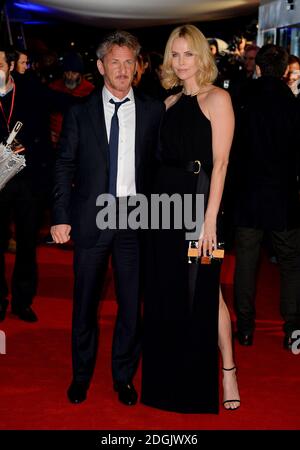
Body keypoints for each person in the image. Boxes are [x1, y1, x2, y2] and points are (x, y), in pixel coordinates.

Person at [50, 31, 164, 405]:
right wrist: (60, 215)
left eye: (128, 62)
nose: (121, 69)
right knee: (85, 304)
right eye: (114, 61)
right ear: (100, 67)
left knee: (132, 305)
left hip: (134, 217)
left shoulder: (152, 110)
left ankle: (123, 376)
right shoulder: (79, 113)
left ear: (137, 68)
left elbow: (162, 166)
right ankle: (81, 375)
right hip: (91, 218)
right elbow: (64, 164)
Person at [141, 24, 240, 413]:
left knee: (207, 288)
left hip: (201, 206)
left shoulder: (219, 99)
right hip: (164, 209)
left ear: (202, 56)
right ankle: (169, 377)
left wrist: (210, 220)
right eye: (175, 54)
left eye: (188, 54)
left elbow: (221, 165)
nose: (181, 62)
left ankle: (227, 370)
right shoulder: (167, 103)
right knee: (170, 291)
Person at [233, 44, 300, 350]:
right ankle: (292, 327)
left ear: (258, 67)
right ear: (286, 71)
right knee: (289, 262)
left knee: (246, 260)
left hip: (247, 194)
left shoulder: (241, 97)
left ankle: (245, 328)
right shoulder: (292, 103)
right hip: (284, 197)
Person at [0, 47, 44, 324]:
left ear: (10, 65)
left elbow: (44, 128)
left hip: (27, 179)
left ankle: (22, 300)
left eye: (0, 63)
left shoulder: (29, 90)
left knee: (27, 243)